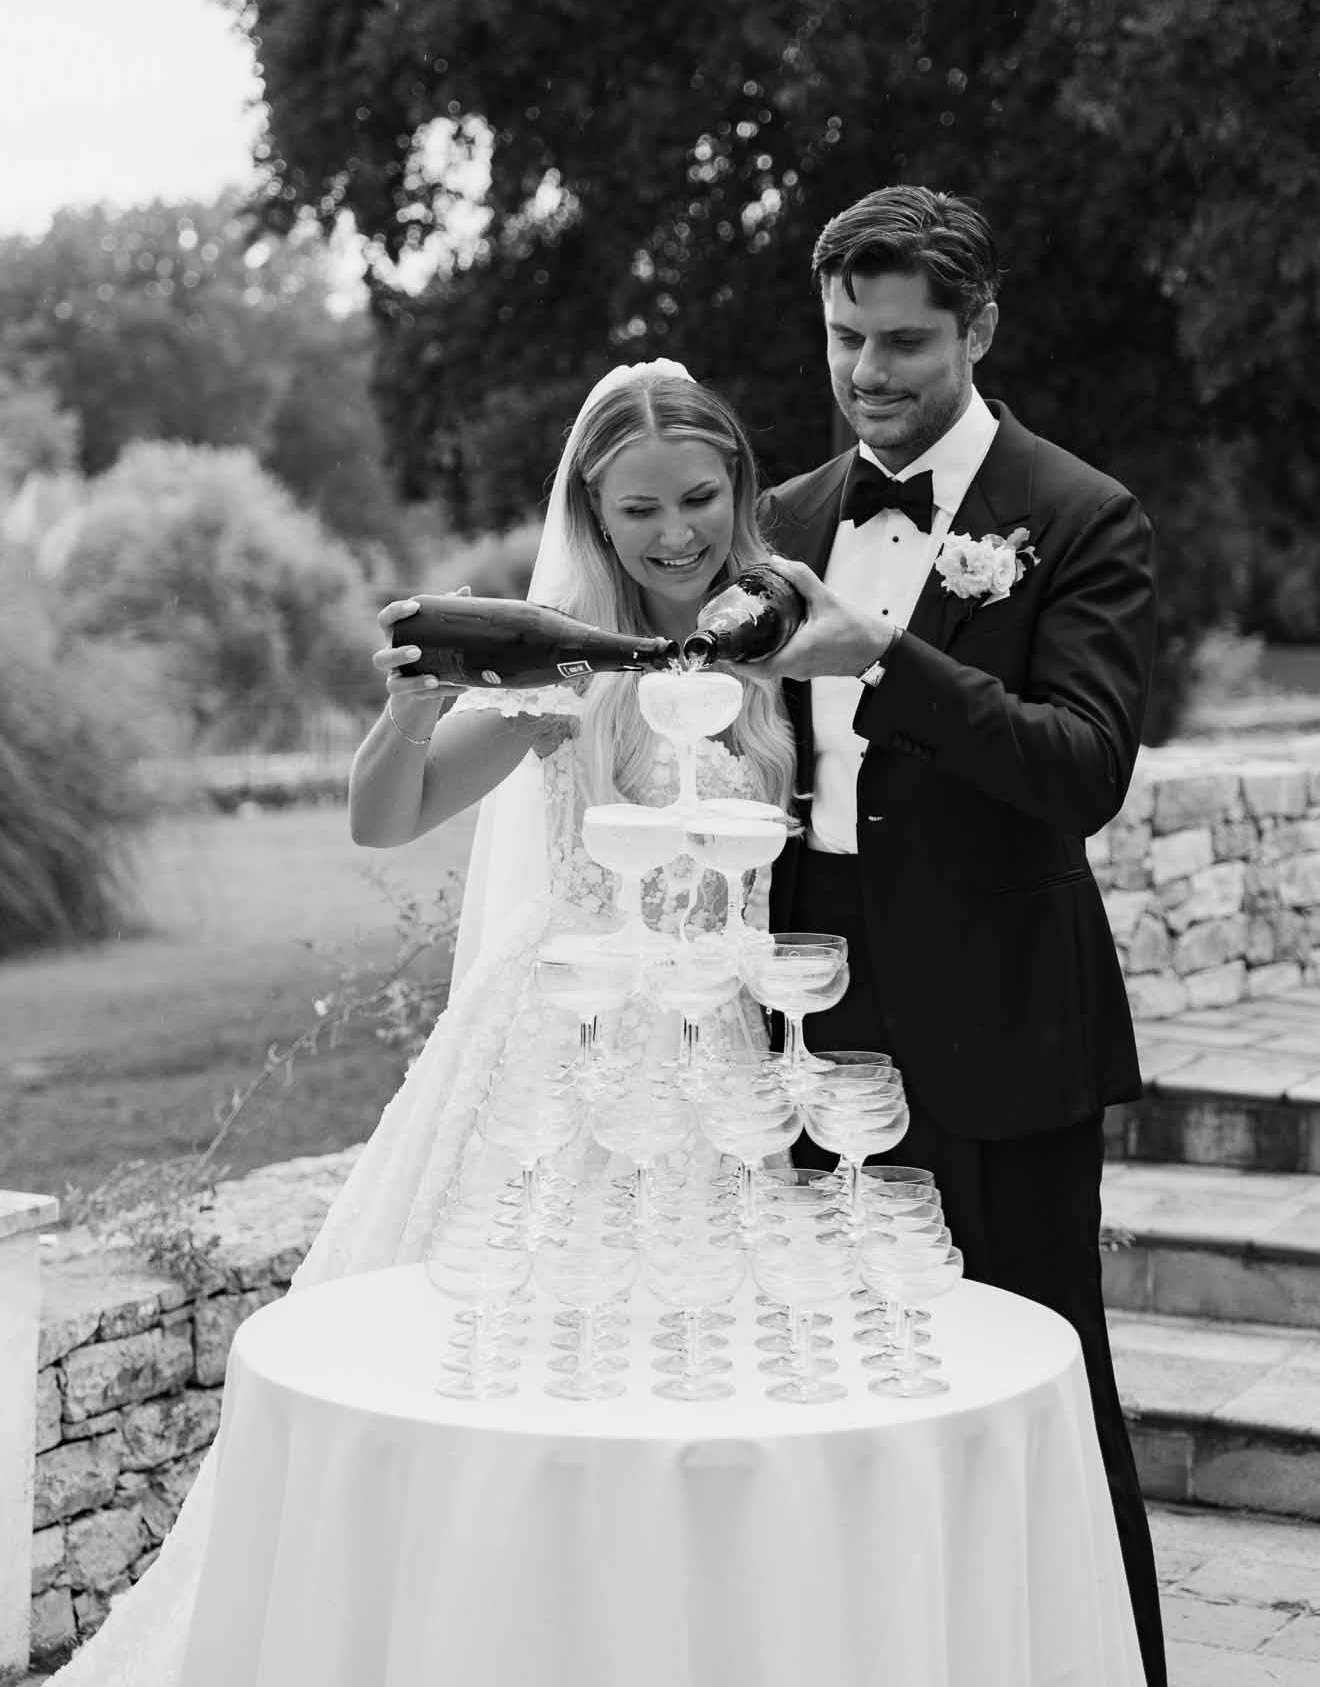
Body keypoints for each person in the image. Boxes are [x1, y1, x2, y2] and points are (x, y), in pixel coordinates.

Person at [47, 360, 794, 1686]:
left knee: (702, 1394)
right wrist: (409, 708)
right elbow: (384, 819)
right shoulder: (559, 669)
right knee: (522, 1389)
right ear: (592, 515)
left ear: (737, 493)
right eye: (639, 512)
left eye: (699, 497)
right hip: (559, 1069)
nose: (676, 533)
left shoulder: (770, 641)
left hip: (713, 1066)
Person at [754, 185, 1168, 1687]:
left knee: (1039, 1394)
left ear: (979, 329)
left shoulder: (1078, 516)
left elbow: (1083, 769)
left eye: (906, 342)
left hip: (1003, 1034)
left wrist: (890, 657)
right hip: (807, 1029)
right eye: (845, 337)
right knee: (834, 1402)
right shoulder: (783, 519)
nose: (870, 371)